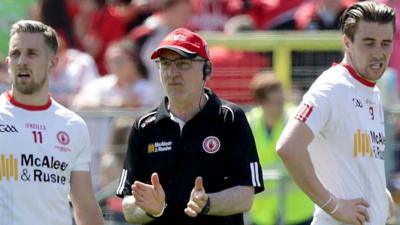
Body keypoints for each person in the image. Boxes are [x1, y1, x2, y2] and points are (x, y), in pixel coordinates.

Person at [116, 28, 264, 225]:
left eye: (182, 64)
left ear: (207, 70)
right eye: (165, 64)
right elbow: (128, 204)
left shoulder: (230, 118)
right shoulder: (144, 127)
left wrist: (208, 202)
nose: (172, 73)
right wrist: (151, 209)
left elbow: (246, 194)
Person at [276, 1, 396, 225]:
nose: (379, 53)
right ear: (347, 42)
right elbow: (288, 147)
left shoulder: (372, 91)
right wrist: (333, 205)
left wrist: (379, 194)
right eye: (368, 43)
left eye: (385, 43)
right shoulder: (333, 87)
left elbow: (352, 161)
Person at [1, 20, 104, 225]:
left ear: (53, 63)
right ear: (7, 62)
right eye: (15, 54)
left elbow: (85, 205)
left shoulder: (73, 125)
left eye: (31, 53)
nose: (21, 61)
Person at [246, 73, 313, 225]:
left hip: (298, 211)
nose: (280, 104)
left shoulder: (296, 119)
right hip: (262, 212)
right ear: (261, 102)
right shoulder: (249, 123)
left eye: (281, 99)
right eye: (274, 101)